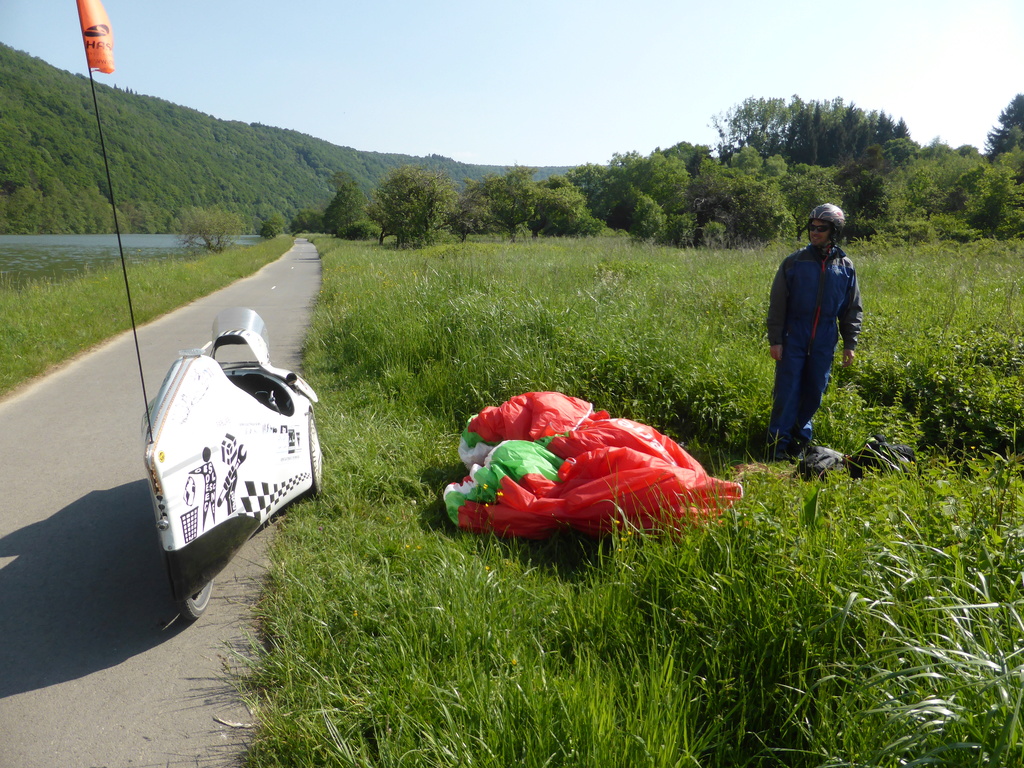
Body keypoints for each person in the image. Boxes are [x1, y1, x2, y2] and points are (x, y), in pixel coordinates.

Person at [766, 204, 862, 460]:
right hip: (793, 337)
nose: (815, 232)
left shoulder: (845, 266)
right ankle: (777, 448)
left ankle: (799, 445)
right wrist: (776, 340)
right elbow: (777, 304)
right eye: (812, 227)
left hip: (824, 339)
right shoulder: (794, 262)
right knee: (787, 392)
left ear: (835, 231)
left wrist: (849, 343)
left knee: (814, 391)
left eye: (822, 228)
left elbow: (852, 308)